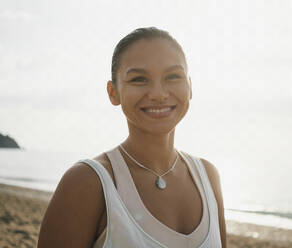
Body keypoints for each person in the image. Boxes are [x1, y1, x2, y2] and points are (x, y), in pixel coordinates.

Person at [38, 27, 226, 248]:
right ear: (113, 92)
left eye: (173, 76)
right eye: (139, 79)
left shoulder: (208, 176)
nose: (158, 93)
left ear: (190, 86)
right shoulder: (87, 182)